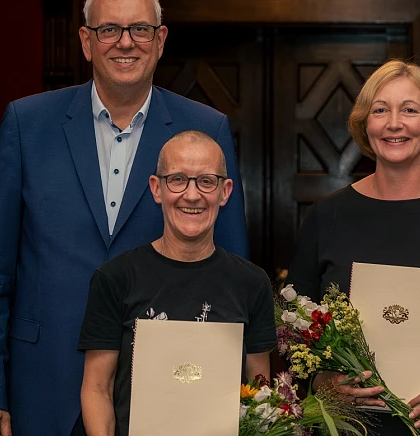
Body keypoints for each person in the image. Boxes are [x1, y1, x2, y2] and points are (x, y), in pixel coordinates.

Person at [0, 0, 249, 436]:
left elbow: (232, 272)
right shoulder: (27, 124)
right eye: (109, 29)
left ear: (161, 40)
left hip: (168, 390)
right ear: (86, 41)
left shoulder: (205, 127)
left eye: (139, 28)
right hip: (42, 384)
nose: (125, 42)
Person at [286, 60, 420, 436]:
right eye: (380, 110)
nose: (394, 123)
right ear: (364, 124)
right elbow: (293, 329)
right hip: (345, 426)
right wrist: (321, 381)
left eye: (409, 109)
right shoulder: (327, 216)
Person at [78, 130, 275, 436]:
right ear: (157, 189)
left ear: (225, 192)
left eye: (206, 181)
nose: (192, 195)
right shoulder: (115, 278)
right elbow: (96, 389)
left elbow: (261, 393)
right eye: (178, 179)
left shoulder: (252, 283)